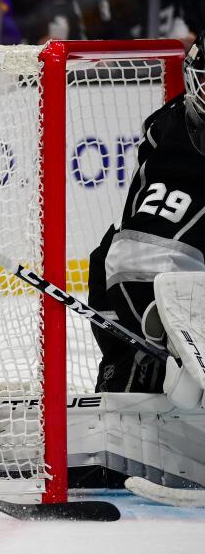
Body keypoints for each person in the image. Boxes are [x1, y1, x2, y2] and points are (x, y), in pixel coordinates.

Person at [87, 31, 205, 408]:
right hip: (144, 297)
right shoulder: (167, 132)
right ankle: (134, 369)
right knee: (111, 262)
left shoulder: (166, 125)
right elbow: (139, 254)